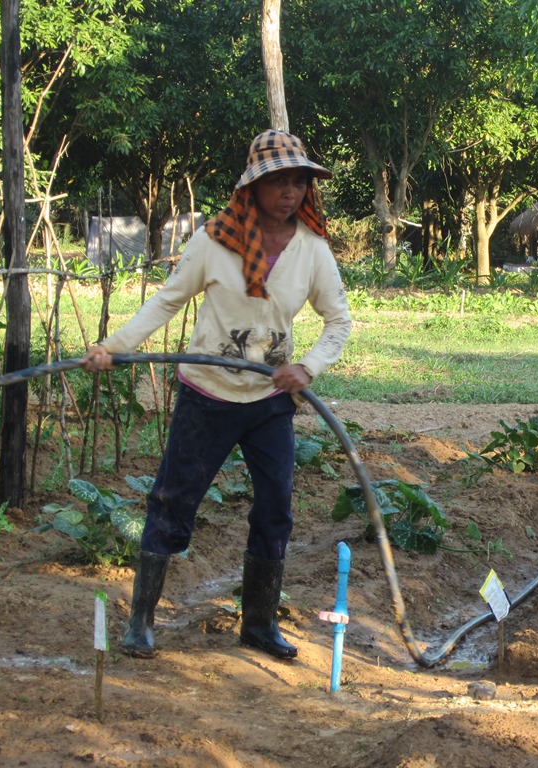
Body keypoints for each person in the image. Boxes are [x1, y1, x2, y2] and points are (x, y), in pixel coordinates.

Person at [82, 129, 352, 660]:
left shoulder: (313, 251)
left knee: (276, 507)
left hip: (270, 401)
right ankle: (140, 622)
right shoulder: (213, 241)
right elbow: (166, 302)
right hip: (207, 395)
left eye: (298, 182)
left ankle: (257, 625)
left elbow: (337, 322)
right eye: (279, 181)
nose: (290, 192)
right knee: (172, 500)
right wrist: (113, 347)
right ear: (253, 187)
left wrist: (307, 367)